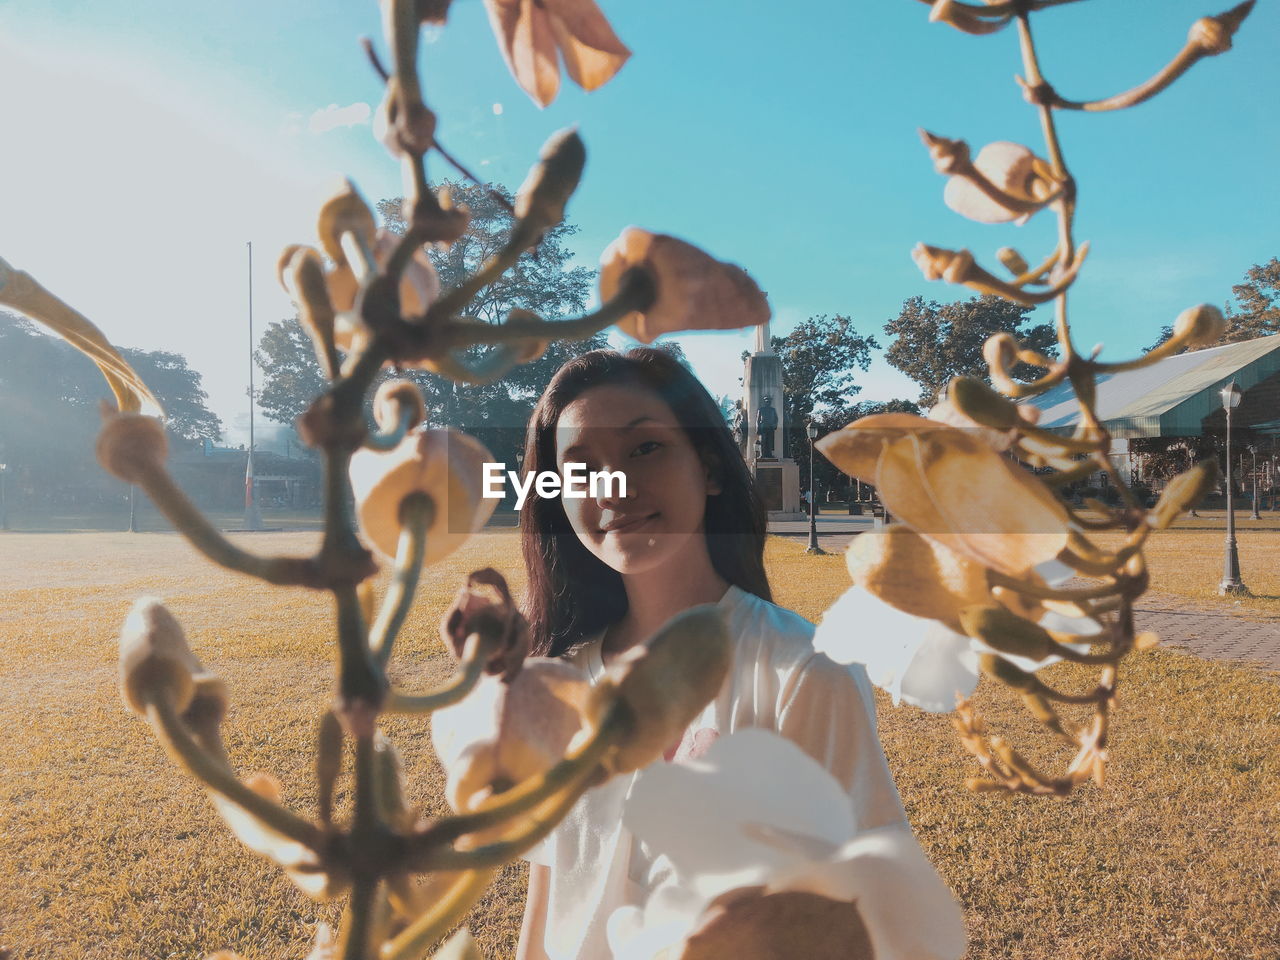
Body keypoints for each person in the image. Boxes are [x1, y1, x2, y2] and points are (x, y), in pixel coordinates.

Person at [516, 347, 908, 960]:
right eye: (580, 468)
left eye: (644, 448)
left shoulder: (803, 671)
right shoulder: (554, 683)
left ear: (711, 469)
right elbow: (548, 907)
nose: (613, 487)